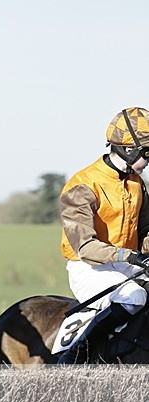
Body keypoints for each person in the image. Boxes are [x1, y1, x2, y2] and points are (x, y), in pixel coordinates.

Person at [58, 106, 149, 364]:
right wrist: (132, 256)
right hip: (87, 267)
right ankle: (76, 354)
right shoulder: (82, 184)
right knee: (134, 297)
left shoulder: (136, 182)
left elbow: (144, 232)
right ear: (129, 149)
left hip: (126, 263)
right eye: (147, 154)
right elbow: (85, 247)